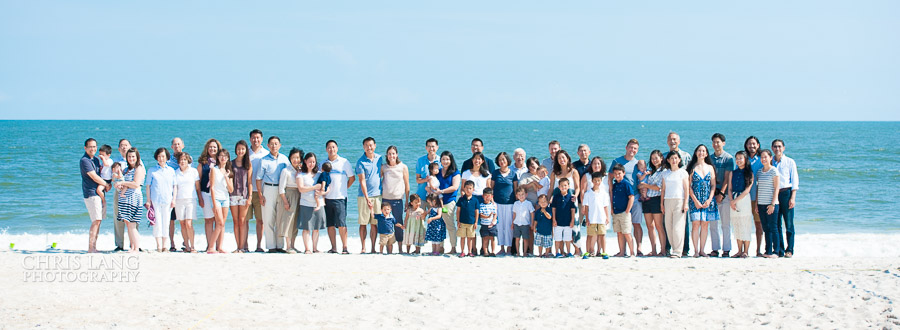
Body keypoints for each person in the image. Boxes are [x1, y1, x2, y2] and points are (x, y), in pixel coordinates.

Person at [255, 136, 289, 253]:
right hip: (268, 189)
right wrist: (260, 195)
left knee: (280, 218)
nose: (274, 146)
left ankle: (280, 245)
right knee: (268, 218)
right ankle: (271, 246)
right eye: (272, 144)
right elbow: (258, 179)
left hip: (282, 190)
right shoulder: (263, 160)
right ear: (268, 146)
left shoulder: (284, 159)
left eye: (276, 144)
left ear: (280, 145)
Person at [608, 139, 642, 255]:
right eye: (631, 147)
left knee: (636, 224)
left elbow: (642, 177)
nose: (632, 150)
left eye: (635, 148)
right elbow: (610, 178)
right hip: (619, 198)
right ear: (626, 147)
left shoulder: (638, 163)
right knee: (621, 228)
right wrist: (611, 196)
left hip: (635, 196)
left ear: (637, 150)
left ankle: (638, 249)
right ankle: (622, 251)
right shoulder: (617, 161)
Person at [321, 140, 355, 254]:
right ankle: (333, 247)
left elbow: (352, 178)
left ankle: (345, 247)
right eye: (329, 147)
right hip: (326, 198)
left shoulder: (344, 162)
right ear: (326, 149)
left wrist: (344, 188)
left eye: (333, 147)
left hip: (340, 197)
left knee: (341, 223)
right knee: (330, 224)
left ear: (337, 148)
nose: (331, 149)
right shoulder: (323, 163)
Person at [687, 144, 718, 258]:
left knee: (705, 225)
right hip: (695, 200)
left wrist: (709, 199)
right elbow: (688, 186)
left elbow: (713, 185)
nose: (701, 152)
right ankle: (695, 250)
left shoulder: (710, 167)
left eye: (703, 151)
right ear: (696, 153)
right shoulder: (692, 167)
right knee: (695, 225)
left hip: (708, 200)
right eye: (699, 150)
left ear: (706, 153)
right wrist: (695, 200)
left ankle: (702, 250)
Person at [145, 147, 177, 252]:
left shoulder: (171, 171)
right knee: (157, 222)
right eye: (159, 156)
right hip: (156, 200)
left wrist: (174, 199)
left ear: (167, 157)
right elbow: (148, 186)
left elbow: (174, 186)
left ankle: (165, 246)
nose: (161, 158)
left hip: (168, 200)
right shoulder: (152, 170)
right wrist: (148, 200)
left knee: (166, 222)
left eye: (163, 156)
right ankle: (158, 246)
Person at [81, 138, 109, 253]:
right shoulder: (84, 160)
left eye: (94, 146)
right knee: (96, 220)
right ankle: (91, 248)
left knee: (98, 220)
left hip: (98, 194)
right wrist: (106, 184)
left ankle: (94, 247)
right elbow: (93, 176)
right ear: (85, 148)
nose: (93, 149)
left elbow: (104, 171)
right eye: (90, 147)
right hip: (91, 193)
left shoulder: (96, 160)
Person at [355, 137, 383, 254]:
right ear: (363, 147)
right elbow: (362, 181)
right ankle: (363, 247)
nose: (369, 147)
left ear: (375, 146)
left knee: (374, 224)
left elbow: (382, 174)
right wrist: (367, 198)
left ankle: (373, 248)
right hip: (364, 197)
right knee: (363, 223)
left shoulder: (380, 158)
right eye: (366, 145)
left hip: (378, 196)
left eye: (371, 145)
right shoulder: (360, 162)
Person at [771, 139, 799, 258]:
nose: (777, 149)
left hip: (786, 193)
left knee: (789, 223)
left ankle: (790, 249)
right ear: (772, 148)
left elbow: (794, 180)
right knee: (776, 224)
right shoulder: (770, 161)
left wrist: (793, 197)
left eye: (779, 146)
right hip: (774, 194)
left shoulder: (789, 162)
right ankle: (779, 249)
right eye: (775, 147)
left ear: (783, 148)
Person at [660, 151, 690, 258]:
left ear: (679, 160)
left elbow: (686, 189)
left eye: (676, 158)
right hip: (667, 200)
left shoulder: (683, 173)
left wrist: (685, 203)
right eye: (672, 158)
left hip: (679, 200)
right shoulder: (665, 173)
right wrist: (662, 204)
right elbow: (663, 190)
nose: (674, 160)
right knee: (668, 226)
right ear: (668, 160)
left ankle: (678, 251)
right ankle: (674, 249)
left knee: (678, 227)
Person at [709, 133, 734, 257]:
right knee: (713, 224)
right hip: (712, 194)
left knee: (725, 223)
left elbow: (727, 178)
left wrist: (722, 194)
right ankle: (715, 248)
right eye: (714, 142)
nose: (716, 144)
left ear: (723, 143)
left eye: (718, 142)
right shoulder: (710, 158)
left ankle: (726, 249)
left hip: (724, 195)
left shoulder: (728, 158)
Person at [296, 152, 327, 254]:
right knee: (306, 228)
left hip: (319, 204)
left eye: (313, 162)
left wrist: (323, 192)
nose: (311, 164)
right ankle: (307, 248)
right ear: (305, 161)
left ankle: (315, 248)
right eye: (309, 162)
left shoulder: (319, 174)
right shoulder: (301, 175)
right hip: (306, 204)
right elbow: (301, 189)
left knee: (316, 228)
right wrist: (314, 187)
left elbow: (327, 185)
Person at [380, 145, 409, 253]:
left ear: (396, 155)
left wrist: (407, 200)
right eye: (389, 153)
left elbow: (407, 184)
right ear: (386, 155)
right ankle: (389, 248)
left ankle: (400, 248)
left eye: (393, 153)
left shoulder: (403, 167)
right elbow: (377, 180)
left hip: (398, 200)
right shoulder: (384, 167)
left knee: (398, 223)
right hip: (385, 199)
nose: (391, 155)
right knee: (387, 224)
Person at [116, 147, 145, 253]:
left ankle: (136, 248)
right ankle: (132, 246)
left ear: (137, 157)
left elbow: (136, 184)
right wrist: (119, 185)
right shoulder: (125, 170)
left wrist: (122, 183)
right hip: (124, 199)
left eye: (133, 156)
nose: (131, 158)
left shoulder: (139, 168)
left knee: (132, 224)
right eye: (129, 156)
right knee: (128, 224)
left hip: (134, 198)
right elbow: (123, 183)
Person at [490, 152, 518, 255]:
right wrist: (491, 201)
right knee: (499, 226)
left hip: (510, 203)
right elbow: (491, 188)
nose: (502, 161)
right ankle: (501, 247)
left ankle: (509, 248)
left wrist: (516, 202)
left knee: (509, 227)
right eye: (500, 160)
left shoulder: (513, 174)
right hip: (498, 203)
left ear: (507, 161)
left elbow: (515, 190)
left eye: (504, 159)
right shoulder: (495, 173)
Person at [639, 151, 666, 257]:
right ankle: (653, 250)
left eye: (656, 158)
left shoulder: (663, 171)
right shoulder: (650, 172)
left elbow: (659, 188)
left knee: (659, 226)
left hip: (656, 199)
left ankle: (663, 250)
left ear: (661, 158)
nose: (654, 160)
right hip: (647, 200)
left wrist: (646, 185)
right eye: (652, 158)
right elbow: (641, 185)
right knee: (650, 226)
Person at [756, 149, 781, 259]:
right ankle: (768, 251)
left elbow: (776, 188)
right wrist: (756, 203)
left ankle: (776, 251)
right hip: (761, 203)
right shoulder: (759, 172)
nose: (763, 159)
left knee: (773, 228)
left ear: (771, 158)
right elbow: (758, 189)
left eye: (766, 157)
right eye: (762, 157)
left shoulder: (774, 171)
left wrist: (772, 204)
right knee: (765, 228)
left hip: (771, 204)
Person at [728, 151, 754, 258]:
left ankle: (746, 251)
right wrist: (731, 201)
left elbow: (747, 190)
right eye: (737, 158)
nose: (738, 160)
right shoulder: (732, 173)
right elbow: (729, 188)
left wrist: (735, 201)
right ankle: (739, 250)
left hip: (744, 199)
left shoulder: (750, 173)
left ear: (745, 159)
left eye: (741, 158)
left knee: (745, 224)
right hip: (733, 198)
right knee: (736, 224)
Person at [246, 129, 268, 253]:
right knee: (245, 220)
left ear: (262, 139)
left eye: (258, 138)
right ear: (250, 139)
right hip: (247, 191)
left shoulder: (265, 153)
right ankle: (245, 245)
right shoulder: (245, 153)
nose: (256, 140)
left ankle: (259, 245)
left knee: (260, 220)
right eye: (253, 138)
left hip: (261, 191)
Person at [208, 149, 234, 254]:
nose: (223, 158)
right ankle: (210, 247)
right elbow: (212, 187)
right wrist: (214, 203)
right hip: (217, 199)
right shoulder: (214, 170)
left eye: (225, 156)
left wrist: (227, 178)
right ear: (218, 158)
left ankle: (220, 247)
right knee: (219, 223)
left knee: (222, 224)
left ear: (228, 158)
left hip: (225, 199)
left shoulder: (229, 171)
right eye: (221, 156)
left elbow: (231, 190)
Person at [173, 151, 200, 253]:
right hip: (179, 200)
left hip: (190, 200)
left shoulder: (193, 171)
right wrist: (174, 200)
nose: (183, 162)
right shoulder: (176, 172)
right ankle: (187, 246)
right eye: (181, 160)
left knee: (189, 223)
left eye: (184, 160)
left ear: (188, 161)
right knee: (182, 224)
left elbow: (197, 187)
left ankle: (193, 246)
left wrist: (200, 199)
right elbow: (175, 187)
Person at [196, 139, 220, 253]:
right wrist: (200, 197)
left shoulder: (221, 162)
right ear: (207, 148)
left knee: (218, 221)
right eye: (210, 147)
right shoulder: (202, 163)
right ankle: (209, 245)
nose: (212, 149)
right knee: (209, 220)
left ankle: (217, 246)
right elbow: (198, 181)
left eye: (215, 147)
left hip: (218, 195)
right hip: (206, 194)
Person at [277, 148, 303, 253]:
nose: (295, 160)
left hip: (299, 195)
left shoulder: (301, 170)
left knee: (296, 222)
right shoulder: (286, 171)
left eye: (297, 158)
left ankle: (293, 245)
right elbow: (281, 189)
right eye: (293, 158)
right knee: (288, 221)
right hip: (289, 195)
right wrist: (285, 201)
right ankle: (288, 246)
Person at [230, 140, 253, 253]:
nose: (240, 151)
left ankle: (242, 247)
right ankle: (237, 247)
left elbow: (249, 182)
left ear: (246, 150)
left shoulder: (248, 164)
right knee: (235, 221)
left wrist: (250, 197)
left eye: (243, 149)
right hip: (233, 195)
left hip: (244, 195)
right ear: (236, 150)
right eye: (239, 149)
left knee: (242, 221)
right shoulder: (231, 163)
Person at [435, 151, 461, 254]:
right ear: (440, 160)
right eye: (443, 159)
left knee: (449, 225)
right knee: (439, 225)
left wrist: (441, 191)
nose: (445, 161)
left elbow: (455, 187)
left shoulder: (455, 172)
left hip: (448, 202)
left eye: (447, 159)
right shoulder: (438, 172)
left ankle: (453, 247)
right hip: (438, 202)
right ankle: (441, 247)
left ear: (451, 160)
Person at [610, 164, 636, 257]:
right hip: (616, 212)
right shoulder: (614, 185)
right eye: (615, 173)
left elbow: (631, 197)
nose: (617, 175)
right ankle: (622, 252)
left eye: (619, 173)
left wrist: (627, 210)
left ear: (623, 173)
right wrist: (612, 209)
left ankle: (632, 252)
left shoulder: (626, 184)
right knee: (619, 232)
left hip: (625, 212)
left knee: (627, 232)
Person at [744, 136, 765, 256]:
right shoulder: (744, 158)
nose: (751, 146)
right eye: (749, 144)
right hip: (746, 197)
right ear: (746, 146)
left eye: (754, 144)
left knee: (759, 225)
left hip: (759, 198)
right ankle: (744, 250)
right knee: (745, 224)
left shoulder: (762, 159)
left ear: (758, 145)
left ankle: (758, 250)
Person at [165, 137, 187, 251]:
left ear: (183, 145)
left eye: (179, 144)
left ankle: (185, 242)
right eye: (175, 144)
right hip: (171, 195)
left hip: (184, 195)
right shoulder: (168, 162)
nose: (177, 146)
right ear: (171, 147)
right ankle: (172, 244)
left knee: (185, 220)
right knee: (171, 220)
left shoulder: (188, 159)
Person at [583, 172, 611, 258]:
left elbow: (605, 206)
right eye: (595, 180)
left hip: (601, 218)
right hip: (592, 218)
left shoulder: (604, 193)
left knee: (602, 235)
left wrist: (607, 217)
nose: (597, 182)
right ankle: (587, 252)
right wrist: (587, 219)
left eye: (598, 180)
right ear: (592, 181)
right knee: (590, 235)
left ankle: (604, 251)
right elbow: (586, 207)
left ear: (601, 181)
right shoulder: (588, 193)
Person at [112, 139, 132, 252]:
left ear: (130, 147)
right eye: (122, 146)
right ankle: (119, 244)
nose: (124, 147)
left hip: (131, 192)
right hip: (118, 192)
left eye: (126, 145)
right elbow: (112, 176)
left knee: (132, 218)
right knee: (118, 217)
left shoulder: (136, 160)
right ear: (119, 149)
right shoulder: (115, 161)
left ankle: (134, 244)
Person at [551, 178, 577, 257]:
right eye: (562, 186)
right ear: (559, 187)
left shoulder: (570, 197)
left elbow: (573, 210)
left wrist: (572, 220)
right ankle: (557, 252)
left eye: (565, 185)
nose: (563, 187)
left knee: (568, 238)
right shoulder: (556, 197)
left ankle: (569, 252)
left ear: (568, 186)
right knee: (557, 238)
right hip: (558, 222)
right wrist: (554, 219)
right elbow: (553, 209)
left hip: (567, 222)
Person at [455, 181, 478, 257]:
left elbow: (476, 212)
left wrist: (476, 222)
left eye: (470, 188)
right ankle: (462, 251)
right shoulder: (461, 199)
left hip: (471, 222)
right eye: (467, 188)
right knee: (462, 237)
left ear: (473, 189)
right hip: (462, 222)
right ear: (464, 189)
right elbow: (458, 211)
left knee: (470, 238)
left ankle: (469, 251)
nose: (468, 190)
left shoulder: (475, 200)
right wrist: (458, 221)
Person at [511, 187, 534, 257]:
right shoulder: (515, 203)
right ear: (517, 196)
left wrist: (532, 223)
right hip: (516, 223)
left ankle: (524, 252)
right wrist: (512, 223)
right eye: (519, 195)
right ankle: (518, 252)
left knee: (525, 239)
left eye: (522, 194)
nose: (521, 196)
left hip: (525, 223)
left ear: (526, 195)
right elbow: (514, 214)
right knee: (517, 238)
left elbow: (532, 213)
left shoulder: (528, 203)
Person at [477, 188, 498, 257]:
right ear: (483, 196)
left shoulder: (493, 205)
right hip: (484, 224)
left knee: (492, 238)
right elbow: (481, 214)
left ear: (491, 196)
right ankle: (485, 251)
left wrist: (493, 222)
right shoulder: (481, 205)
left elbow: (495, 214)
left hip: (492, 224)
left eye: (489, 196)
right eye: (485, 195)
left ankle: (493, 251)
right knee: (485, 238)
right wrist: (487, 216)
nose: (487, 197)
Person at [97, 144, 113, 220]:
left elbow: (106, 165)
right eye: (100, 154)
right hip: (103, 179)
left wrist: (103, 159)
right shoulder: (104, 162)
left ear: (108, 155)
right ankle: (102, 201)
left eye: (103, 155)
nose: (101, 156)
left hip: (106, 180)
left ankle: (104, 201)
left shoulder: (109, 161)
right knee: (101, 191)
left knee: (99, 190)